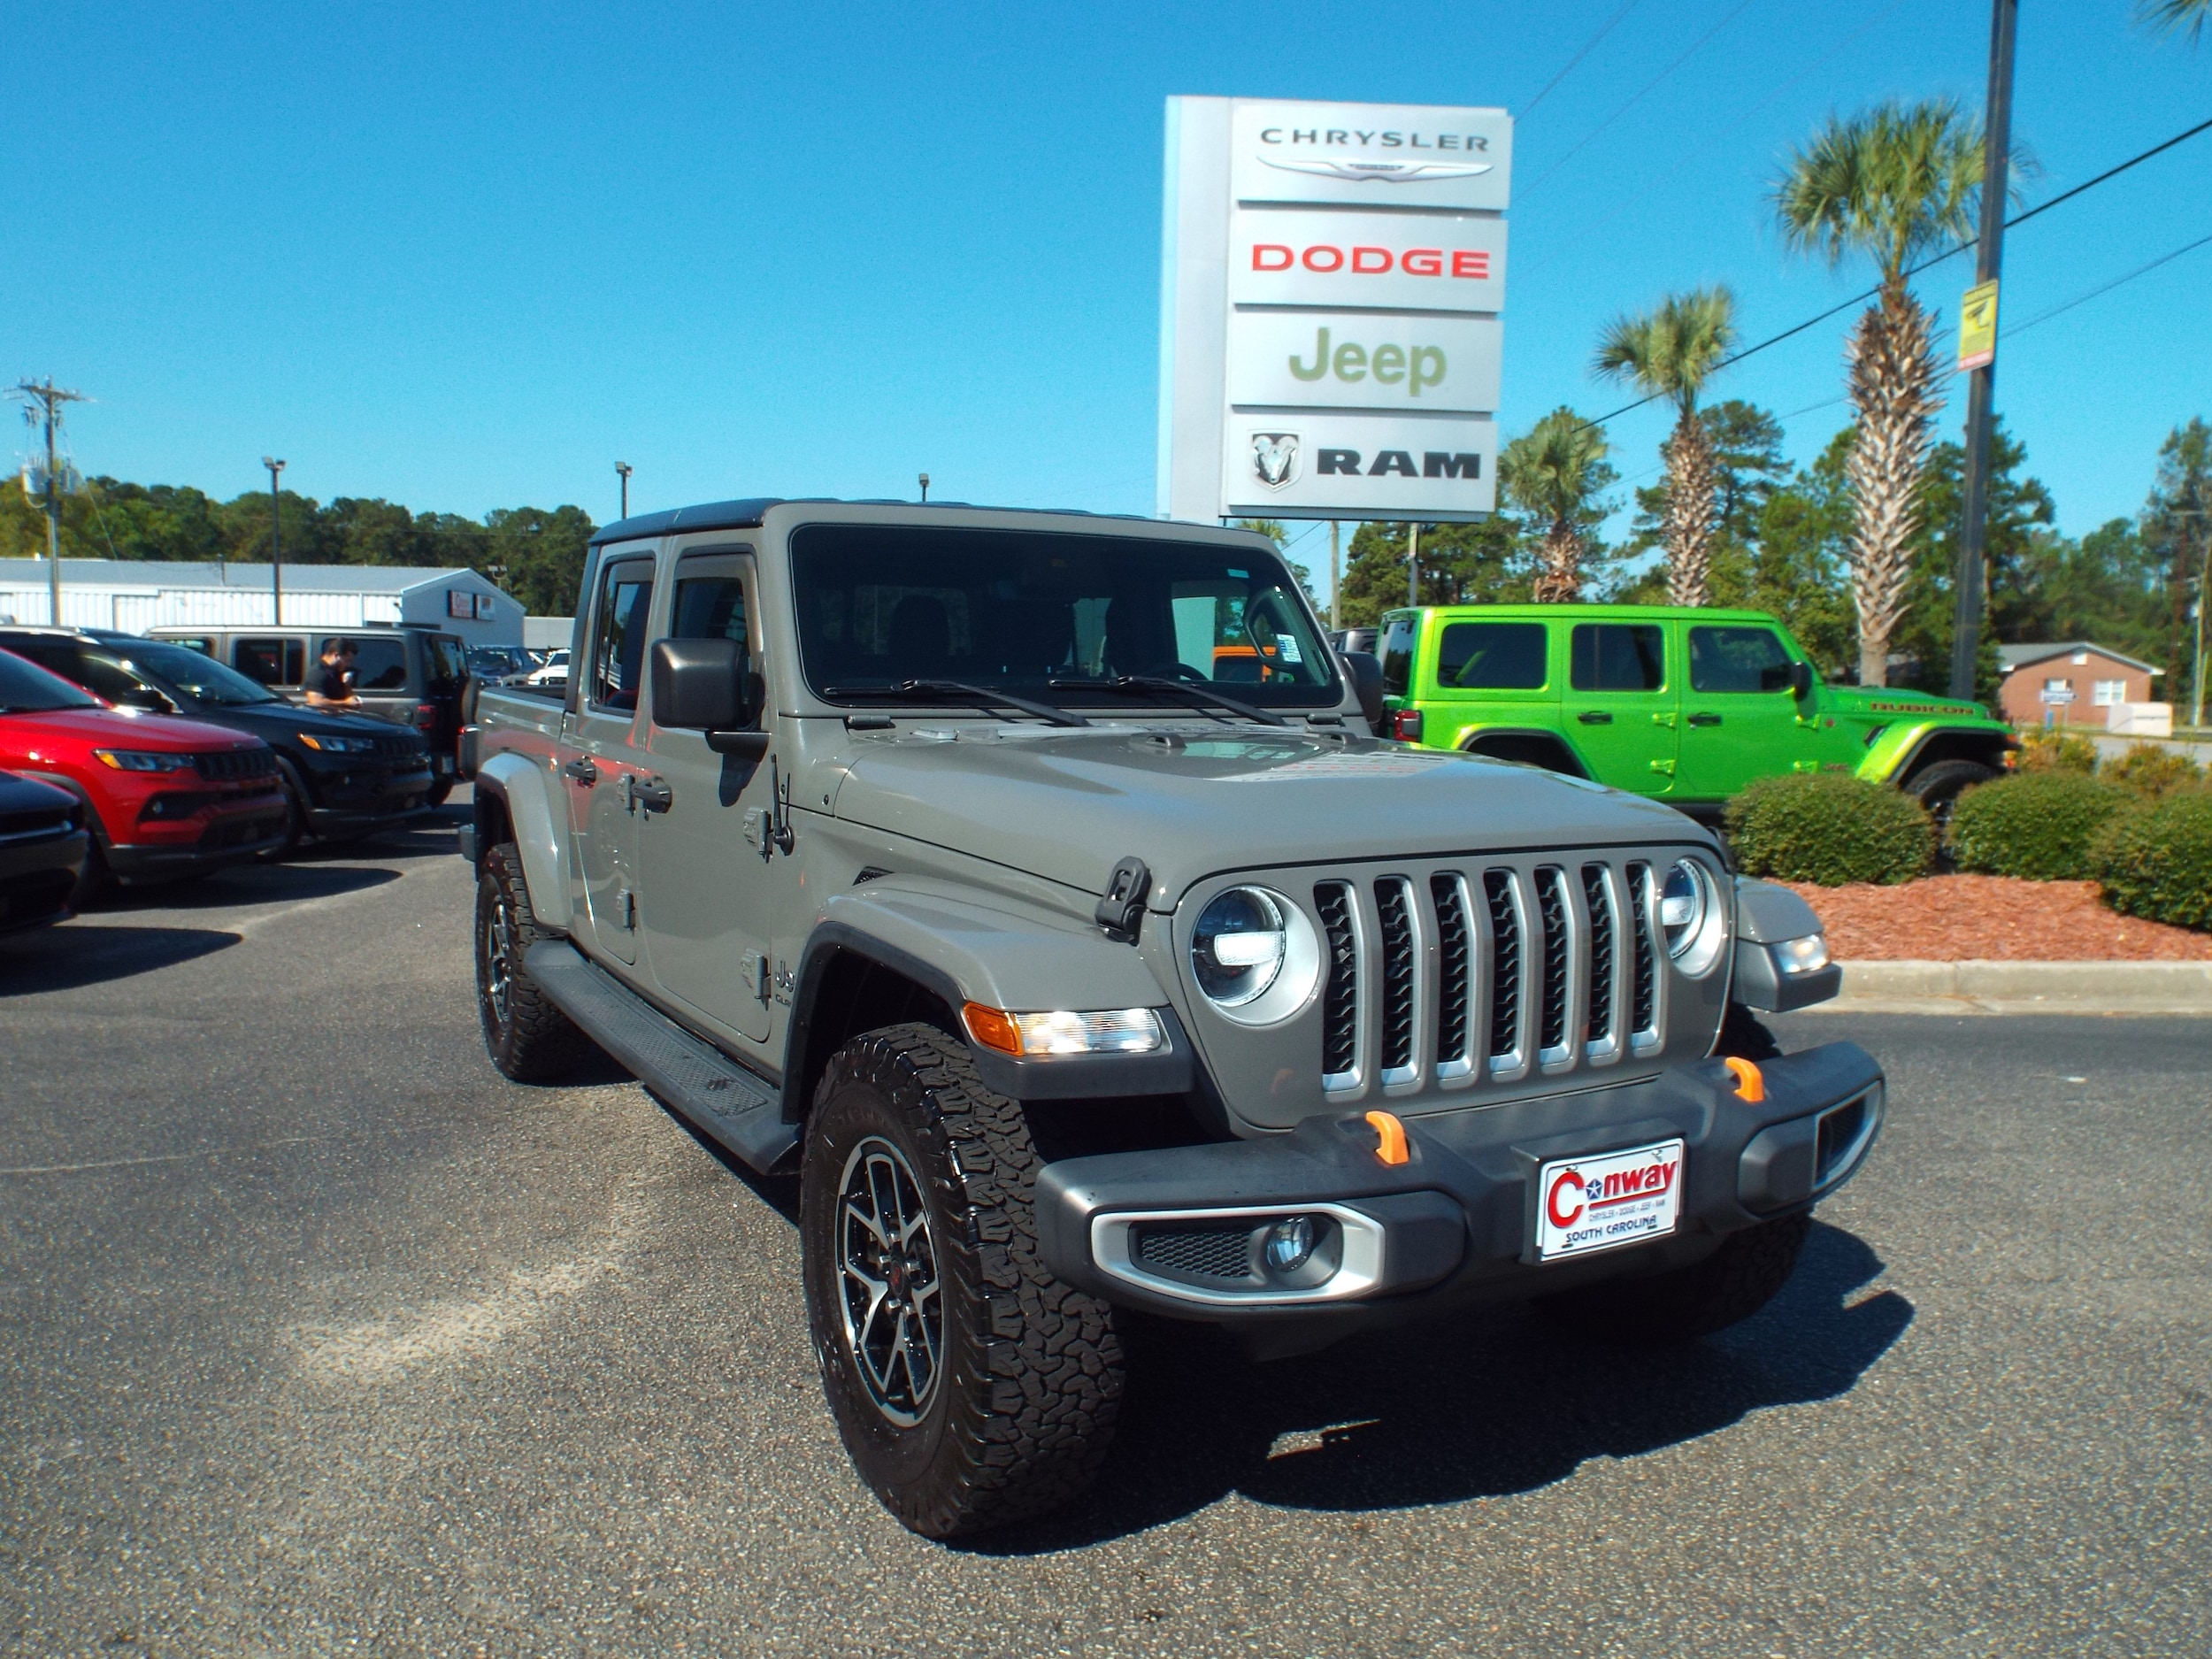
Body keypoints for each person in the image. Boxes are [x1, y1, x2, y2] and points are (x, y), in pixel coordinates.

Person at [305, 639, 363, 711]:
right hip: (324, 719)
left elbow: (347, 698)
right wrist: (346, 703)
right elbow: (316, 702)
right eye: (347, 660)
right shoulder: (317, 672)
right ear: (337, 655)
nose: (348, 664)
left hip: (338, 717)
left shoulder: (337, 672)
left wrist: (347, 685)